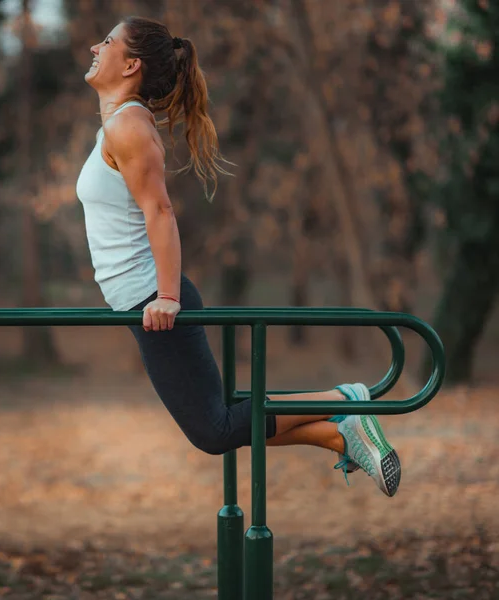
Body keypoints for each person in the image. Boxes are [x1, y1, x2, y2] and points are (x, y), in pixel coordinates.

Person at [76, 16, 401, 497]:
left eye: (107, 42)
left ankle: (343, 399)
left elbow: (161, 212)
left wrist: (167, 296)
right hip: (139, 299)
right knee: (219, 423)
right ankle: (339, 432)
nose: (92, 47)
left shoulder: (127, 127)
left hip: (153, 300)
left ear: (130, 64)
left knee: (214, 430)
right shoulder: (119, 124)